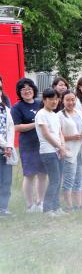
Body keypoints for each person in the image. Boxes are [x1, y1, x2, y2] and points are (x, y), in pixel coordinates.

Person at [11, 78, 45, 212]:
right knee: (29, 175)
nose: (27, 91)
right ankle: (30, 205)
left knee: (43, 174)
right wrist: (36, 123)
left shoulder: (40, 103)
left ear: (34, 89)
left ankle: (40, 202)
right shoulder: (17, 107)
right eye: (23, 89)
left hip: (43, 144)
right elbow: (17, 127)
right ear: (19, 92)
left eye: (29, 88)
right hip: (28, 145)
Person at [36, 88, 68, 216]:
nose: (54, 102)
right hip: (48, 151)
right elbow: (46, 135)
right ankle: (47, 209)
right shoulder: (41, 114)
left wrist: (62, 147)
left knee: (58, 180)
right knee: (54, 180)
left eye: (56, 99)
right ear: (44, 100)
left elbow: (60, 133)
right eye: (51, 99)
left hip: (59, 150)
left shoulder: (55, 115)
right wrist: (60, 148)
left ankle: (56, 207)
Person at [58, 91, 82, 211]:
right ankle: (69, 206)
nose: (71, 102)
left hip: (81, 150)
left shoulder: (80, 113)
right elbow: (58, 136)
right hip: (69, 151)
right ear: (62, 100)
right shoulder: (59, 116)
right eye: (68, 100)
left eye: (73, 99)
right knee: (69, 179)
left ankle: (79, 205)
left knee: (79, 179)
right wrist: (72, 137)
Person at [0, 77, 15, 215]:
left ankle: (3, 208)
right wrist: (6, 145)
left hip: (6, 150)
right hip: (3, 147)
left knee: (6, 180)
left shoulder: (4, 105)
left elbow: (10, 126)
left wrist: (9, 145)